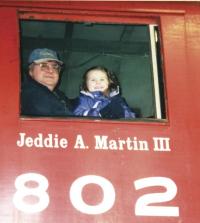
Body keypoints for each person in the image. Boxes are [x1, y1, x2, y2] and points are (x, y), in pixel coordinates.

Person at [21, 48, 73, 117]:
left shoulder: (58, 94)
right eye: (43, 66)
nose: (51, 70)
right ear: (31, 71)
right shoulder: (31, 94)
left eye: (55, 66)